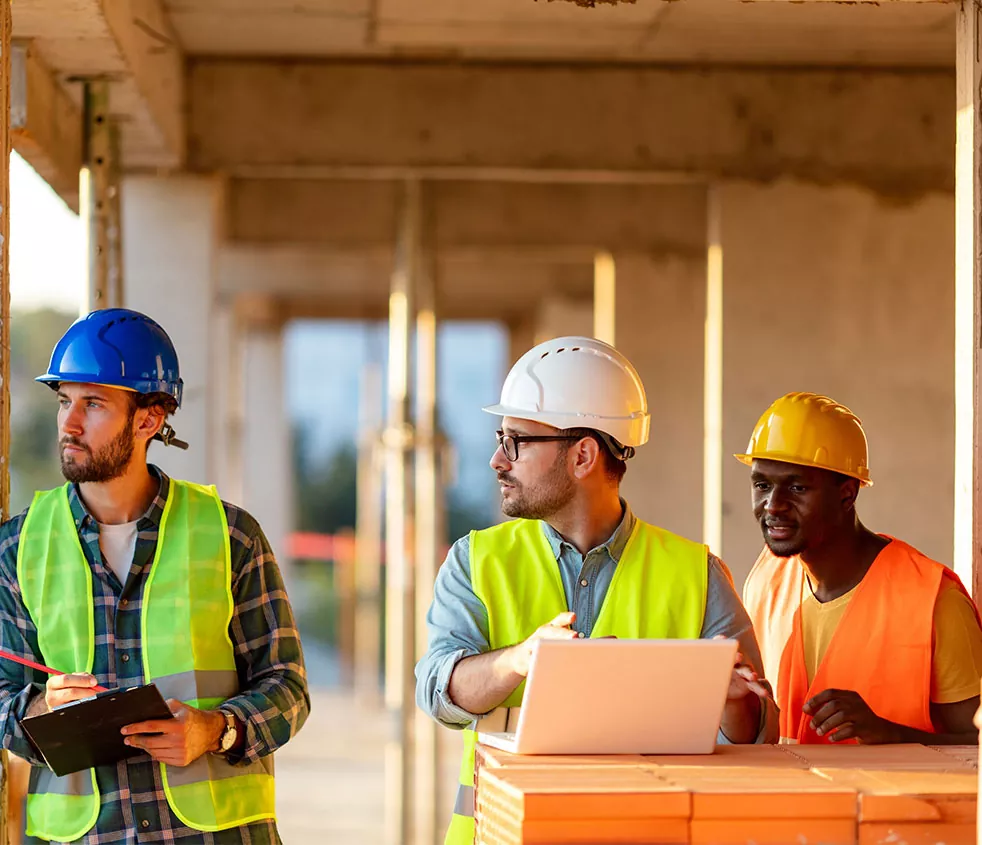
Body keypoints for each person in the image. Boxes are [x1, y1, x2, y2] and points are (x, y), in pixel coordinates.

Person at [416, 336, 775, 844]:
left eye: (516, 441)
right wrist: (521, 659)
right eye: (501, 438)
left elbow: (757, 738)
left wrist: (733, 704)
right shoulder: (476, 561)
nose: (497, 459)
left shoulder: (697, 573)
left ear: (582, 455)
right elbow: (438, 692)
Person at [0, 308, 310, 843]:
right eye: (65, 401)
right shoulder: (18, 547)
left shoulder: (231, 536)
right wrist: (41, 707)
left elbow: (288, 686)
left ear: (148, 419)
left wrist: (217, 730)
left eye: (93, 404)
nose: (69, 424)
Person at [739, 392, 982, 745]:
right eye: (762, 485)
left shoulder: (934, 601)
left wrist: (892, 734)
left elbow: (977, 746)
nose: (773, 505)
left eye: (797, 487)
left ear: (847, 494)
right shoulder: (765, 581)